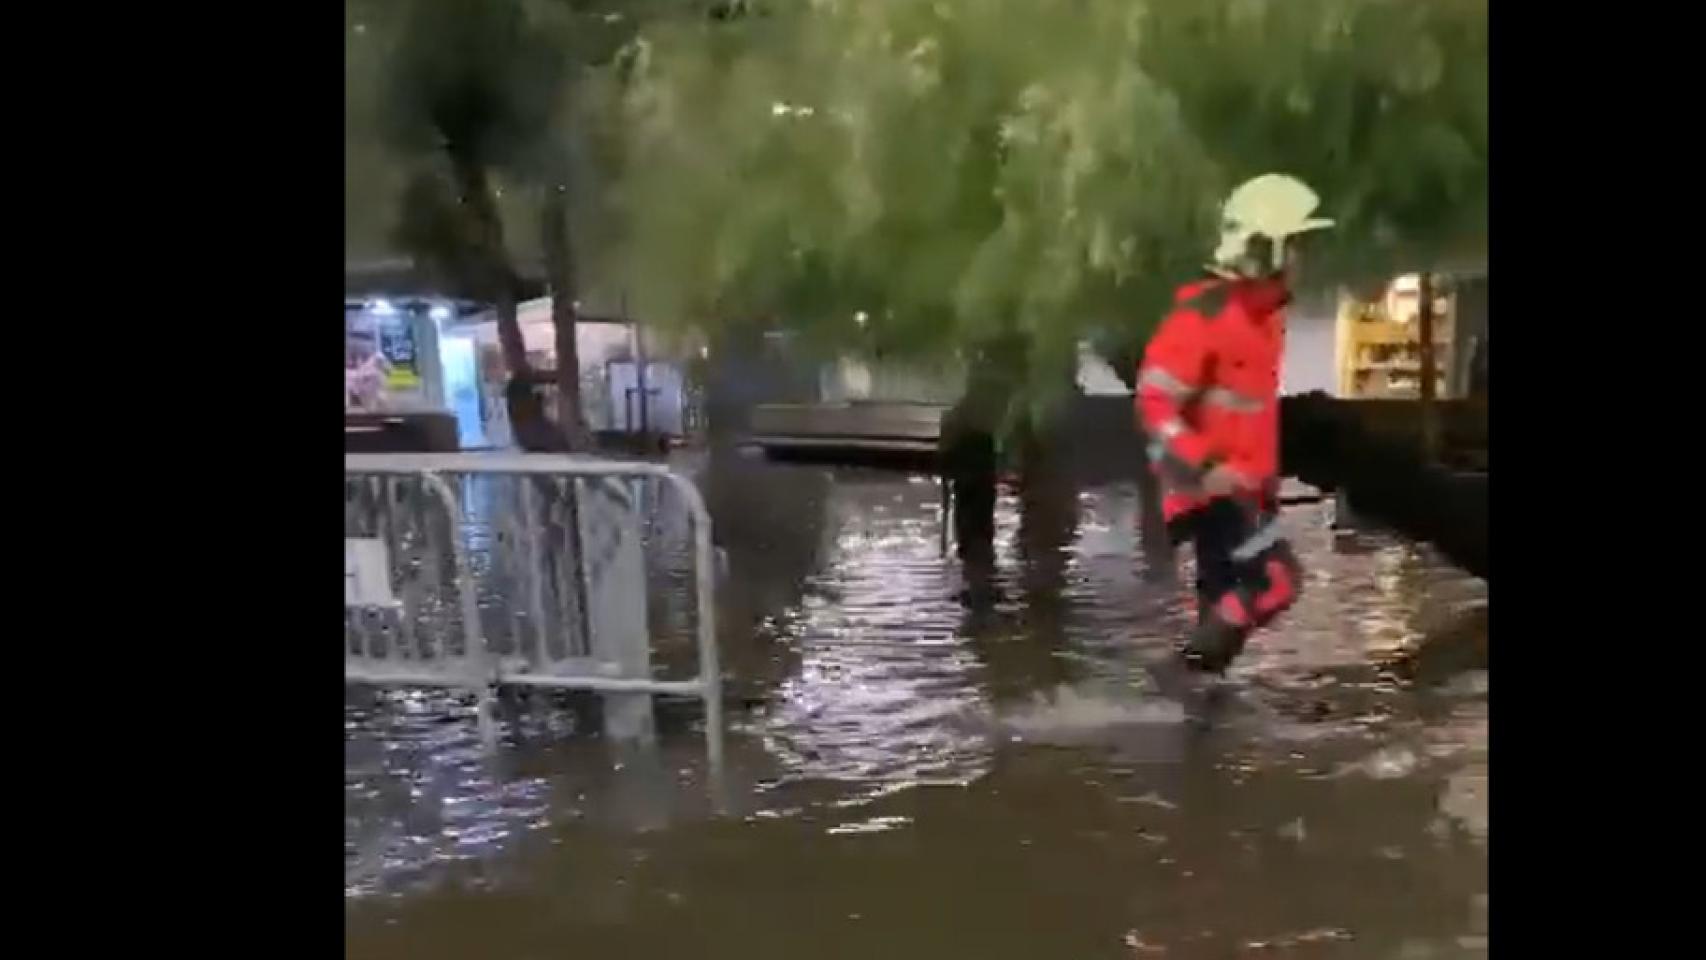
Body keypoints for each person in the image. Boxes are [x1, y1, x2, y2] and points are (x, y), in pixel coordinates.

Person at [1135, 173, 1334, 673]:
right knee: (1275, 580)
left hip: (1242, 490)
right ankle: (1174, 675)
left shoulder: (1265, 318)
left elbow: (1246, 411)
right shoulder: (1204, 315)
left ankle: (1191, 716)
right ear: (1268, 250)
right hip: (1211, 492)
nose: (1302, 261)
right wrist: (1204, 467)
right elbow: (1155, 403)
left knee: (1224, 613)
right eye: (1297, 247)